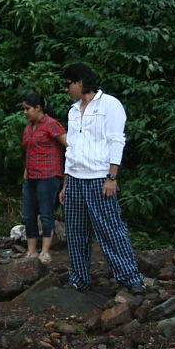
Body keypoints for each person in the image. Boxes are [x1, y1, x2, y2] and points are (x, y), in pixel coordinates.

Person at [58, 64, 146, 294]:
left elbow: (116, 140)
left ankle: (130, 276)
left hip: (99, 177)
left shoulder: (110, 105)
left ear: (79, 83)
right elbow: (71, 148)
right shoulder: (73, 110)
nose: (66, 89)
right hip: (76, 177)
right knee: (76, 231)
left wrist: (112, 177)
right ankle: (80, 278)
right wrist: (66, 184)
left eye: (68, 84)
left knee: (110, 228)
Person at [21, 93, 67, 265]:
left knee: (46, 213)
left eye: (27, 108)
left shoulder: (51, 124)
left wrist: (66, 174)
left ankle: (45, 252)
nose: (25, 112)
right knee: (28, 214)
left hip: (49, 175)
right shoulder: (29, 128)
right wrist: (26, 170)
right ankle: (31, 251)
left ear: (38, 108)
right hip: (31, 175)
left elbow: (68, 145)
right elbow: (29, 151)